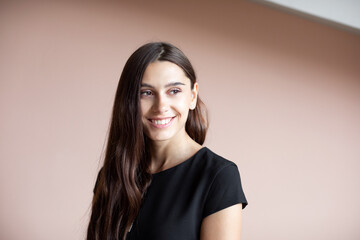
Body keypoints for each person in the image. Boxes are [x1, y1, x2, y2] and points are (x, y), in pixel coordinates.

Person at [87, 42, 248, 240]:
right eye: (146, 93)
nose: (161, 106)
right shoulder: (111, 175)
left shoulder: (218, 176)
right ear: (128, 101)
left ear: (193, 96)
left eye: (174, 91)